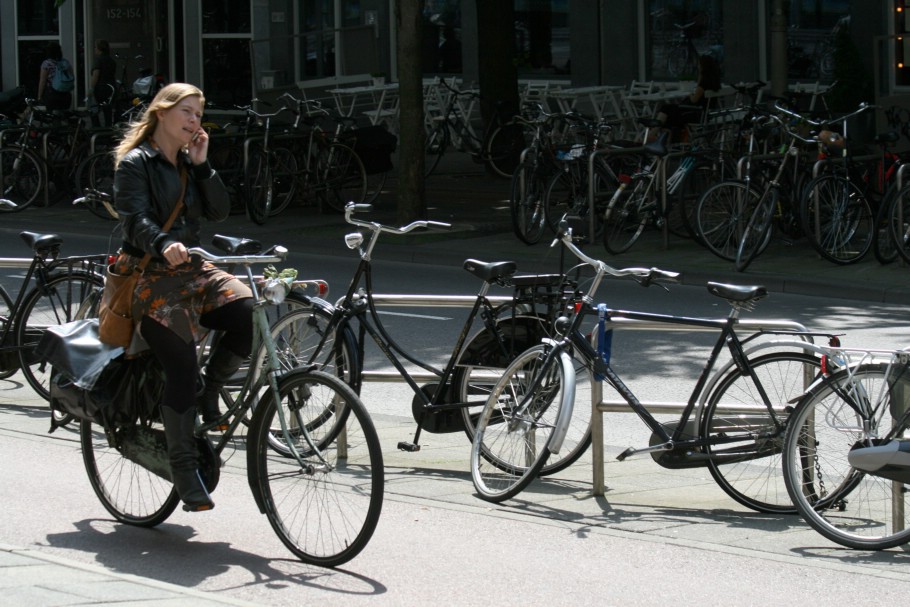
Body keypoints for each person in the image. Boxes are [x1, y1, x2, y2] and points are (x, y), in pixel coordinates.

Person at [112, 82, 253, 512]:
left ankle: (212, 392)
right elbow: (133, 217)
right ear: (162, 113)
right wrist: (161, 242)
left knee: (247, 309)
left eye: (198, 114)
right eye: (187, 112)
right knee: (182, 367)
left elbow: (219, 211)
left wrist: (204, 165)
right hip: (152, 276)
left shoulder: (190, 163)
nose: (195, 121)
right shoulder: (136, 163)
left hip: (193, 269)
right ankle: (184, 466)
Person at [656, 54, 721, 142]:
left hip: (695, 113)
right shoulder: (714, 82)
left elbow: (694, 100)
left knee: (666, 109)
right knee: (669, 112)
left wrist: (690, 94)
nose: (698, 66)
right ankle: (661, 136)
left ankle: (653, 134)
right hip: (703, 113)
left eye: (699, 64)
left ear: (702, 66)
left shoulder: (704, 83)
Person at [88, 39, 117, 127]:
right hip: (111, 88)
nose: (94, 49)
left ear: (99, 49)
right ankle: (108, 130)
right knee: (108, 111)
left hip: (100, 88)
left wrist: (91, 89)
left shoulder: (98, 60)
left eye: (95, 47)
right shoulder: (111, 61)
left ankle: (97, 129)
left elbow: (96, 75)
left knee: (94, 109)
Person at [37, 41, 73, 113]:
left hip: (52, 94)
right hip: (66, 94)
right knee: (63, 115)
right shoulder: (65, 63)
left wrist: (39, 96)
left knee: (53, 117)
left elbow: (42, 81)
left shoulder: (46, 64)